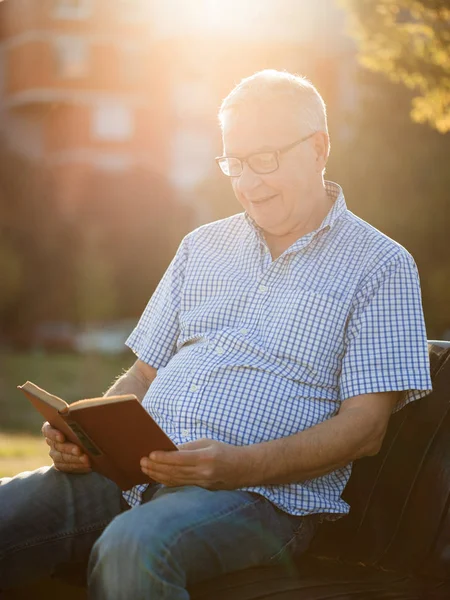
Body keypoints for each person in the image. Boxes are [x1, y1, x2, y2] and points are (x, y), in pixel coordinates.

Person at [0, 70, 432, 599]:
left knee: (134, 545)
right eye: (235, 162)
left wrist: (236, 466)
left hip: (261, 499)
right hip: (133, 476)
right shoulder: (200, 247)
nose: (249, 182)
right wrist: (88, 437)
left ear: (318, 149)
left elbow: (365, 428)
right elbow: (143, 372)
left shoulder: (380, 265)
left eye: (265, 159)